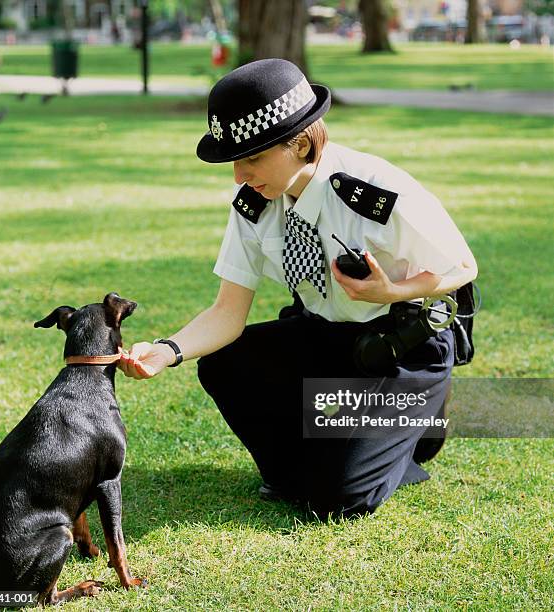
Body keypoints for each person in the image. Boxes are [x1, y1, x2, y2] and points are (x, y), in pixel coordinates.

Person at [119, 58, 478, 518]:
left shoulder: (374, 192)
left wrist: (391, 292)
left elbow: (462, 266)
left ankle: (416, 423)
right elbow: (228, 313)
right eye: (234, 161)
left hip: (402, 345)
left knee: (341, 500)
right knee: (226, 366)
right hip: (325, 334)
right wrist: (167, 351)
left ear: (301, 142)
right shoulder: (256, 203)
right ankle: (326, 453)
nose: (238, 176)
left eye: (252, 158)